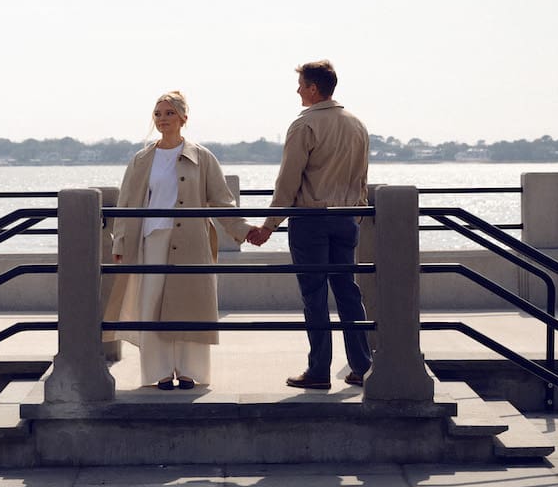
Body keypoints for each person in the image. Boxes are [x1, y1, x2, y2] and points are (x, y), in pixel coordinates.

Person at [104, 91, 252, 390]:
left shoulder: (202, 157)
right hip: (151, 241)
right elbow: (127, 204)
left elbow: (222, 201)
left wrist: (244, 229)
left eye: (169, 113)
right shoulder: (142, 159)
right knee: (152, 304)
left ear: (184, 118)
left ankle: (188, 371)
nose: (162, 119)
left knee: (190, 305)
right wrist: (120, 243)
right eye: (158, 114)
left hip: (191, 241)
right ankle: (158, 372)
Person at [248, 60, 372, 390]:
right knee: (348, 292)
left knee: (314, 296)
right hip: (345, 219)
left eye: (301, 84)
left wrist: (269, 225)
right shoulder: (357, 124)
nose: (298, 90)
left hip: (311, 221)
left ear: (314, 88)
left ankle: (319, 371)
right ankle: (363, 366)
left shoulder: (304, 126)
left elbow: (288, 182)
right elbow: (362, 178)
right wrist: (356, 213)